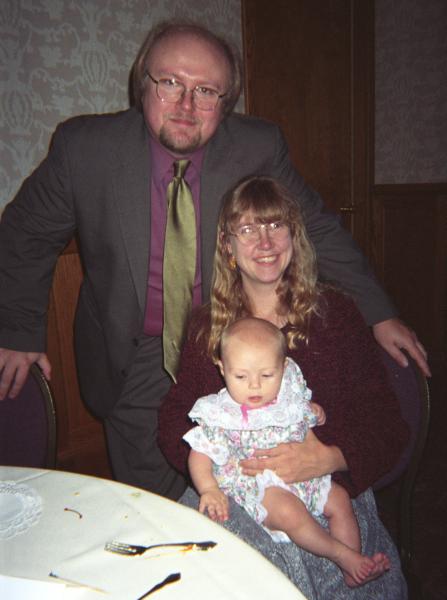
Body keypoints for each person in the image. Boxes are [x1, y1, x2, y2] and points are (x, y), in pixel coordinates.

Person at [0, 20, 427, 498]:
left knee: (249, 489)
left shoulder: (257, 146)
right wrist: (16, 329)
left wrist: (379, 311)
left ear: (226, 103)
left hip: (229, 336)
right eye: (170, 83)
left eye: (206, 91)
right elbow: (26, 233)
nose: (186, 105)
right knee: (151, 501)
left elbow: (315, 227)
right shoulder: (85, 149)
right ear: (142, 83)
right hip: (134, 351)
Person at [158, 176, 409, 598]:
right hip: (235, 492)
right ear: (227, 246)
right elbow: (174, 421)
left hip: (328, 490)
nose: (265, 242)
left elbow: (387, 423)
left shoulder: (335, 314)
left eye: (276, 225)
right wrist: (220, 473)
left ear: (295, 235)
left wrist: (330, 456)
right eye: (248, 229)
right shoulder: (207, 326)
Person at [184, 316, 391, 587]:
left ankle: (353, 569)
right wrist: (209, 488)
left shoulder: (287, 392)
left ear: (283, 367)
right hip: (258, 484)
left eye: (267, 375)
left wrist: (313, 411)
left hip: (304, 478)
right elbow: (199, 453)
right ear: (223, 369)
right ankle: (342, 555)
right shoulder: (221, 413)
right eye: (241, 376)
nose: (255, 385)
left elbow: (301, 411)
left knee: (340, 499)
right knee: (290, 512)